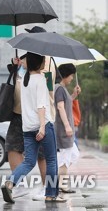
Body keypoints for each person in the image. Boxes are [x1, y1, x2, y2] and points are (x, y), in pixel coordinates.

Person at [1, 52, 64, 203]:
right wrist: (42, 127)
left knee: (29, 161)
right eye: (42, 60)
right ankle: (50, 194)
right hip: (43, 125)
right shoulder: (41, 79)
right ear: (40, 63)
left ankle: (10, 182)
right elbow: (41, 105)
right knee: (51, 160)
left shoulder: (23, 80)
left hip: (27, 127)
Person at [55, 63, 81, 193]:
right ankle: (62, 185)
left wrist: (74, 95)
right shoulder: (59, 89)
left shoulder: (62, 89)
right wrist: (67, 126)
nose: (72, 78)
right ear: (65, 76)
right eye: (71, 75)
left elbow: (66, 103)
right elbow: (60, 107)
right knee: (65, 159)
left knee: (74, 155)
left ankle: (58, 177)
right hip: (63, 130)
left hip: (66, 130)